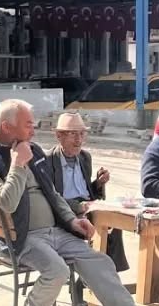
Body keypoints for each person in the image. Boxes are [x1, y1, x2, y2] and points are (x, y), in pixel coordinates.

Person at [0, 99, 159, 306]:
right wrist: (17, 165)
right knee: (57, 269)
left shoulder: (34, 151)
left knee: (101, 262)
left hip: (55, 233)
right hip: (22, 239)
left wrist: (71, 220)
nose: (34, 130)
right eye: (28, 125)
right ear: (6, 127)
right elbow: (7, 202)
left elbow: (53, 194)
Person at [46, 110, 128, 285]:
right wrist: (79, 207)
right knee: (101, 225)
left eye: (82, 134)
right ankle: (95, 282)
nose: (79, 140)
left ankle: (106, 277)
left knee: (115, 222)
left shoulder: (84, 157)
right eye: (72, 134)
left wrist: (98, 183)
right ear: (59, 136)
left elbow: (88, 192)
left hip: (88, 207)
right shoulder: (48, 161)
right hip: (65, 214)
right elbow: (50, 198)